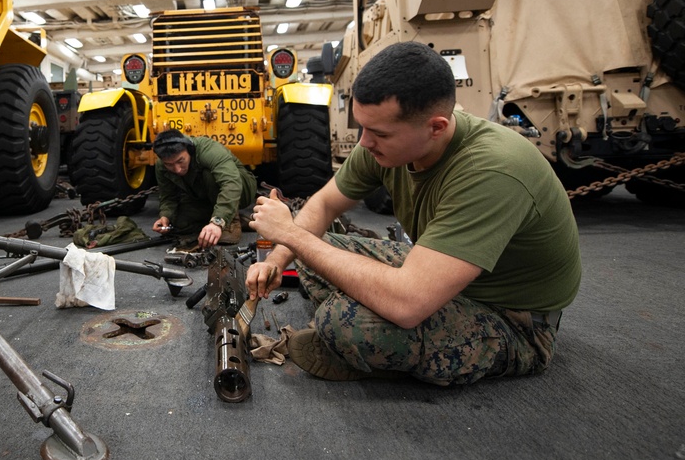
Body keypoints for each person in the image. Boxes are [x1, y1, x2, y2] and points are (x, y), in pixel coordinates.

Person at [246, 42, 581, 386]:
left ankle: (365, 343)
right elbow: (325, 204)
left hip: (515, 318)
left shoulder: (492, 170)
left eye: (378, 133)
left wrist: (289, 234)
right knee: (310, 249)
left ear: (436, 127)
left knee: (342, 319)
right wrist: (278, 259)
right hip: (446, 276)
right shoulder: (387, 142)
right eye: (362, 127)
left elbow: (408, 304)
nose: (364, 143)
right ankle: (372, 326)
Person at [151, 130, 257, 249]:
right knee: (180, 224)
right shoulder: (161, 165)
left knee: (209, 175)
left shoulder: (209, 150)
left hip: (241, 189)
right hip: (202, 195)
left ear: (189, 151)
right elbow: (168, 196)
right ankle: (225, 214)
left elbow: (231, 184)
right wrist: (165, 217)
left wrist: (217, 222)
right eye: (169, 165)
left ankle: (229, 220)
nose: (177, 170)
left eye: (180, 161)